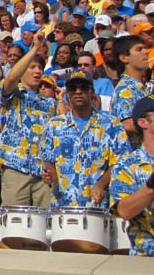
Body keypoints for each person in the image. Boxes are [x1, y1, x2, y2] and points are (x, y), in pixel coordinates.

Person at [42, 70, 129, 208]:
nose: (78, 91)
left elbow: (120, 162)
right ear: (67, 94)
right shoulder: (54, 125)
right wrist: (50, 174)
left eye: (83, 87)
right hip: (63, 208)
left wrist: (100, 185)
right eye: (72, 88)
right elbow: (47, 159)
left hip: (97, 207)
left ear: (92, 92)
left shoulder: (111, 124)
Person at [0, 30, 57, 208]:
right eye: (32, 67)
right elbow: (12, 77)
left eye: (40, 68)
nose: (37, 71)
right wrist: (35, 48)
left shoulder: (50, 103)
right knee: (15, 224)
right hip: (16, 168)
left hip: (43, 172)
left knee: (45, 226)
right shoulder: (13, 94)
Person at [110, 95, 154, 257]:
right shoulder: (127, 166)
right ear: (143, 122)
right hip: (147, 258)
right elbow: (124, 211)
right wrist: (151, 187)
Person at [111, 34, 150, 142]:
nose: (145, 52)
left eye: (144, 48)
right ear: (124, 58)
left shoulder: (138, 87)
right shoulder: (125, 89)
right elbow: (126, 124)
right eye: (139, 49)